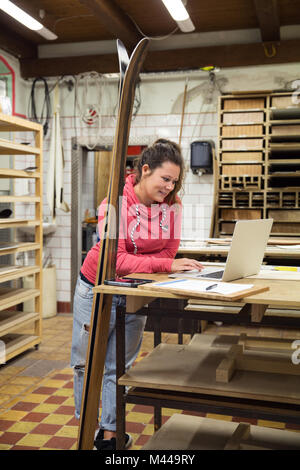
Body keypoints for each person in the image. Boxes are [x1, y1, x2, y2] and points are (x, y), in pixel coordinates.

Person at [70, 138, 203, 450]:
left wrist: (163, 264)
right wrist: (163, 264)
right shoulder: (113, 205)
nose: (170, 187)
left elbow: (170, 250)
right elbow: (113, 261)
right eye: (165, 179)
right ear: (145, 170)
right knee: (86, 363)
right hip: (95, 290)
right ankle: (86, 427)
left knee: (120, 367)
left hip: (135, 293)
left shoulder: (172, 206)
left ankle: (110, 436)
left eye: (174, 181)